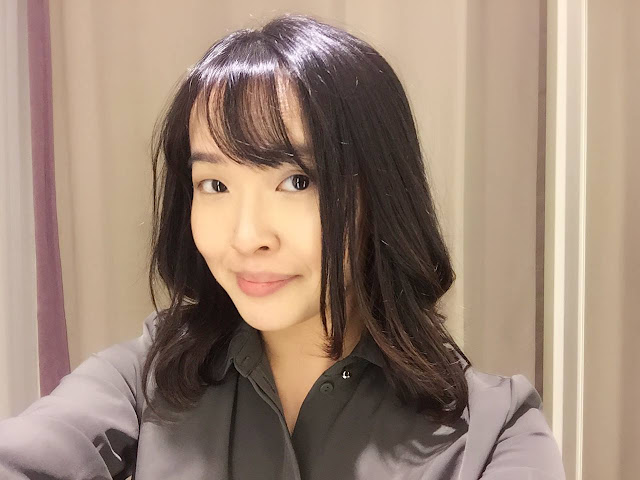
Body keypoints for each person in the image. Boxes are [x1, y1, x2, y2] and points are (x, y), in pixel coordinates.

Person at [0, 13, 565, 480]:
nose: (247, 237)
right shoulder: (147, 376)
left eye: (296, 181)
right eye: (214, 185)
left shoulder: (494, 432)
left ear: (381, 193)